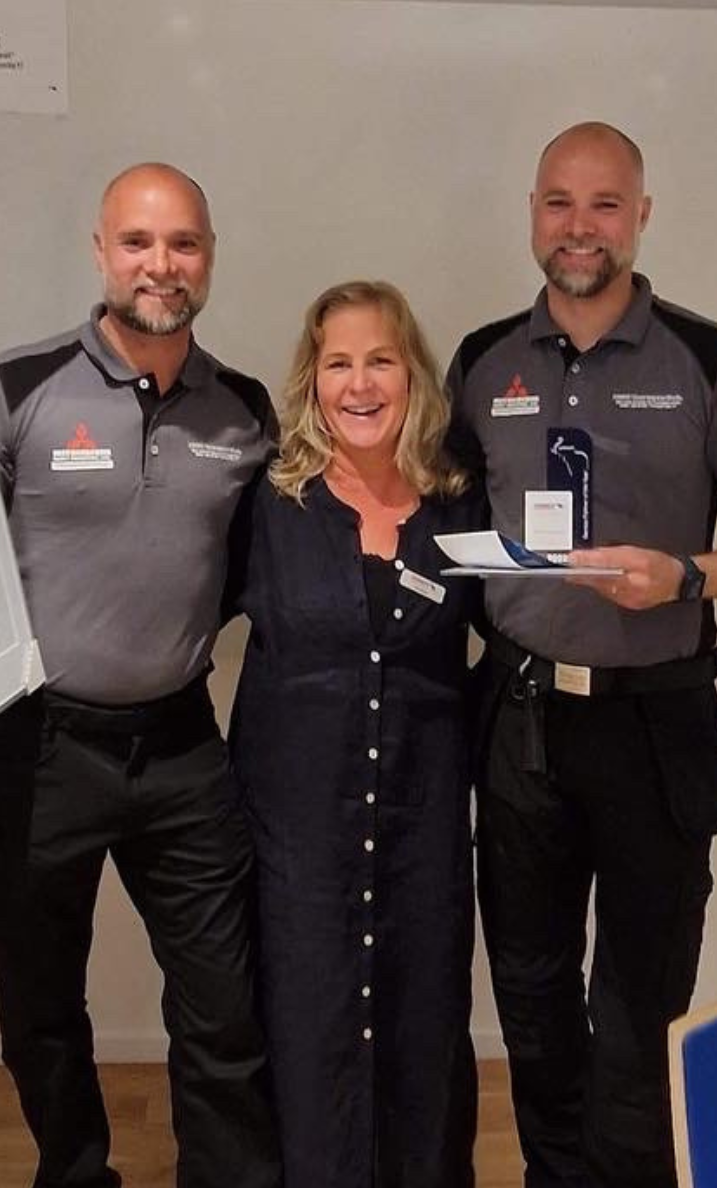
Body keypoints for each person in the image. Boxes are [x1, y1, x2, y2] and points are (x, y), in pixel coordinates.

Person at [0, 163, 281, 1188]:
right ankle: (77, 1172)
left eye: (182, 243)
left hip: (181, 747)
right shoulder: (10, 387)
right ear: (101, 251)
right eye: (137, 242)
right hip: (36, 747)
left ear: (209, 257)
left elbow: (254, 569)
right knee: (42, 1007)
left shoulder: (244, 411)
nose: (160, 264)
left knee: (224, 1005)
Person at [444, 123, 717, 1188]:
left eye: (604, 204)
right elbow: (443, 520)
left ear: (640, 216)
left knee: (641, 999)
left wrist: (684, 576)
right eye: (558, 202)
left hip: (653, 722)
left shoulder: (714, 360)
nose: (579, 227)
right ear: (532, 214)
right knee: (531, 987)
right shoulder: (482, 362)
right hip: (517, 722)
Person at [228, 281, 484, 1188]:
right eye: (338, 363)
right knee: (307, 1032)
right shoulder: (269, 503)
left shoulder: (461, 503)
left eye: (380, 360)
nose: (360, 384)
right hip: (298, 841)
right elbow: (166, 610)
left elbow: (516, 634)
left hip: (422, 833)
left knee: (423, 1029)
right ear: (312, 380)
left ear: (412, 373)